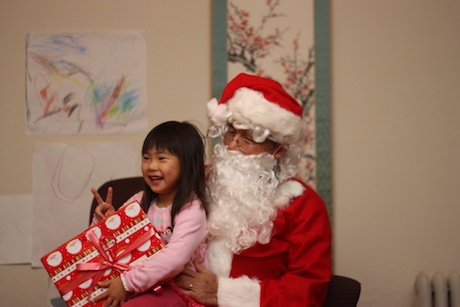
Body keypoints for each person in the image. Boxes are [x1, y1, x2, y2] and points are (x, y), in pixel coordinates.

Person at [175, 73, 332, 306]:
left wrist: (223, 293)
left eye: (248, 138)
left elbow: (308, 289)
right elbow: (155, 218)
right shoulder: (200, 180)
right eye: (230, 132)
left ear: (278, 149)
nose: (232, 145)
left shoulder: (305, 205)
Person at [91, 121, 208, 307]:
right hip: (140, 284)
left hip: (178, 291)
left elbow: (174, 259)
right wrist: (104, 221)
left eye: (161, 158)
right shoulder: (140, 200)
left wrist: (126, 283)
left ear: (186, 164)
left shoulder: (192, 209)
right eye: (146, 158)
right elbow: (105, 245)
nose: (151, 166)